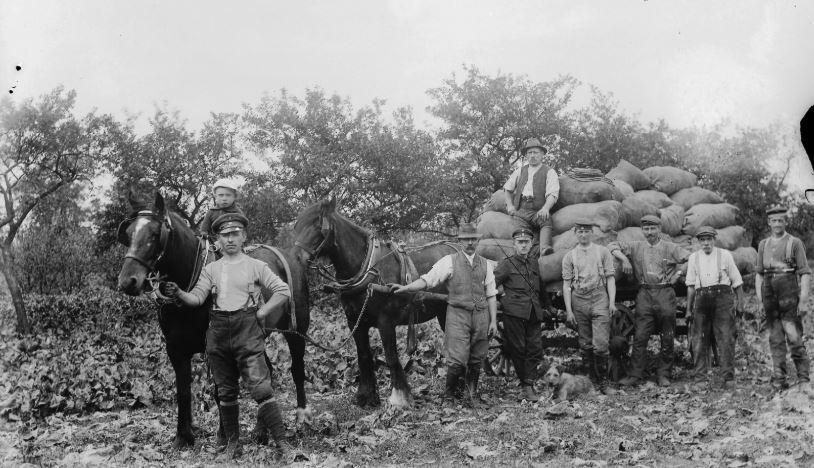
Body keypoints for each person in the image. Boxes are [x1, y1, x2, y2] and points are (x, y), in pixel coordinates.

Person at [165, 213, 293, 460]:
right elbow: (198, 298)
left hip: (247, 331)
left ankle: (283, 444)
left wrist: (263, 311)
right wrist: (180, 293)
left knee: (261, 387)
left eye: (235, 234)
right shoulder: (211, 269)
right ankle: (234, 444)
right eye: (225, 235)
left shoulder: (256, 265)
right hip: (219, 333)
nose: (230, 239)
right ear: (218, 240)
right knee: (225, 391)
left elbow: (283, 290)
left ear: (244, 236)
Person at [391, 223, 498, 406]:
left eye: (473, 239)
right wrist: (406, 288)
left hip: (481, 315)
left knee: (476, 357)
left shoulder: (485, 265)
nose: (470, 243)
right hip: (458, 314)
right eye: (466, 239)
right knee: (456, 358)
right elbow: (427, 280)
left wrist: (493, 320)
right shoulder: (449, 261)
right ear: (460, 241)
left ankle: (471, 395)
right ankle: (449, 397)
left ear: (478, 240)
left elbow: (491, 294)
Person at [609, 215, 690, 387]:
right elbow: (612, 246)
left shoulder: (670, 247)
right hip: (644, 293)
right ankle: (635, 375)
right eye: (646, 229)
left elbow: (690, 258)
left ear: (659, 229)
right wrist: (624, 259)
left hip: (665, 292)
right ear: (642, 231)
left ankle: (663, 374)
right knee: (640, 335)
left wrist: (679, 273)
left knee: (667, 335)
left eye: (653, 229)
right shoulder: (636, 246)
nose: (650, 232)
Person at [494, 227, 555, 402]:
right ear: (514, 245)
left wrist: (549, 306)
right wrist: (502, 298)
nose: (523, 246)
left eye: (526, 242)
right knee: (518, 349)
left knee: (535, 349)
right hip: (514, 312)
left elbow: (541, 287)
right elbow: (492, 282)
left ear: (531, 244)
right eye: (520, 242)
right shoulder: (506, 263)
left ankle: (528, 381)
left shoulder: (534, 263)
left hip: (533, 312)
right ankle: (527, 386)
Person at [755, 205, 811, 390]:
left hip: (788, 292)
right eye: (774, 221)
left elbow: (804, 273)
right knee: (775, 338)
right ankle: (780, 379)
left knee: (794, 336)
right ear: (769, 223)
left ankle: (803, 379)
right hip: (769, 294)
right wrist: (760, 299)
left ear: (785, 221)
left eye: (781, 220)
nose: (777, 224)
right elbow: (759, 274)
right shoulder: (763, 244)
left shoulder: (794, 243)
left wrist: (803, 300)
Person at [562, 218, 617, 394]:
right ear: (575, 234)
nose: (583, 235)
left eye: (587, 231)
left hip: (600, 297)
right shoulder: (570, 256)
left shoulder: (603, 252)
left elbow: (610, 278)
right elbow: (566, 285)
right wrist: (569, 310)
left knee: (600, 344)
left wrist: (612, 303)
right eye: (580, 232)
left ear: (592, 233)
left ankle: (603, 382)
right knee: (585, 344)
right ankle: (590, 382)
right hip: (579, 299)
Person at [685, 226, 744, 389]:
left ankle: (728, 378)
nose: (706, 243)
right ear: (698, 242)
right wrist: (689, 309)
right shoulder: (693, 258)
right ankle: (700, 379)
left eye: (709, 239)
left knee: (725, 338)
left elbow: (737, 282)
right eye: (702, 240)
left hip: (722, 299)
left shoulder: (725, 255)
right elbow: (690, 286)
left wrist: (740, 304)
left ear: (714, 240)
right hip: (701, 300)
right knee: (698, 340)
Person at [502, 137, 560, 256]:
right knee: (521, 235)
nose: (532, 155)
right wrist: (510, 206)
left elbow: (552, 194)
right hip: (522, 210)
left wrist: (545, 208)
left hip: (538, 211)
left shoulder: (549, 172)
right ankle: (523, 254)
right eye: (530, 153)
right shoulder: (520, 171)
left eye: (536, 152)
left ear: (542, 154)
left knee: (546, 221)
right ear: (526, 156)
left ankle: (544, 248)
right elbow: (507, 190)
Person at [199, 178, 245, 243]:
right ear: (215, 196)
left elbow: (242, 231)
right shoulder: (211, 212)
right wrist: (205, 236)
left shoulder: (238, 213)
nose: (224, 198)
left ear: (234, 196)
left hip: (233, 243)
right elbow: (204, 229)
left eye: (228, 195)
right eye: (221, 195)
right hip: (214, 245)